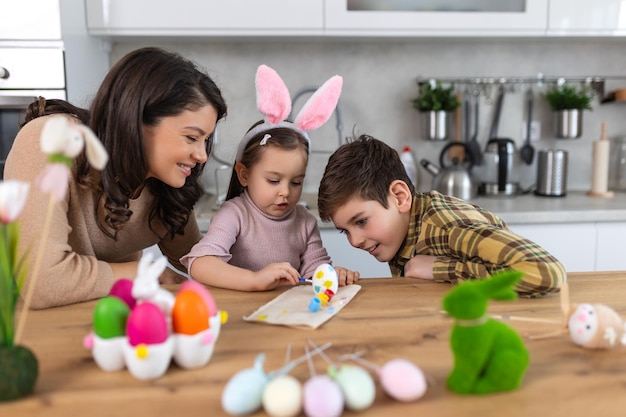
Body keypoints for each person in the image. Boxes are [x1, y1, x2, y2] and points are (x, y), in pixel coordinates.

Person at [5, 47, 228, 309]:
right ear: (137, 120)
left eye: (205, 140)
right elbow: (40, 282)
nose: (202, 155)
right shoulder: (49, 141)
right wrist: (146, 272)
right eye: (191, 137)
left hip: (105, 328)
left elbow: (200, 263)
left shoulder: (166, 185)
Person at [317, 134, 566, 298]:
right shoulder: (400, 230)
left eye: (361, 221)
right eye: (345, 230)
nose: (355, 241)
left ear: (400, 197)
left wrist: (441, 269)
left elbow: (546, 272)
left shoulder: (448, 228)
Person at [181, 65, 359, 291]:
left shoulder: (304, 222)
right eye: (273, 181)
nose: (285, 191)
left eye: (296, 182)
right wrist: (253, 281)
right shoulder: (234, 215)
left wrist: (332, 275)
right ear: (244, 175)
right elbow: (201, 264)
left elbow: (316, 271)